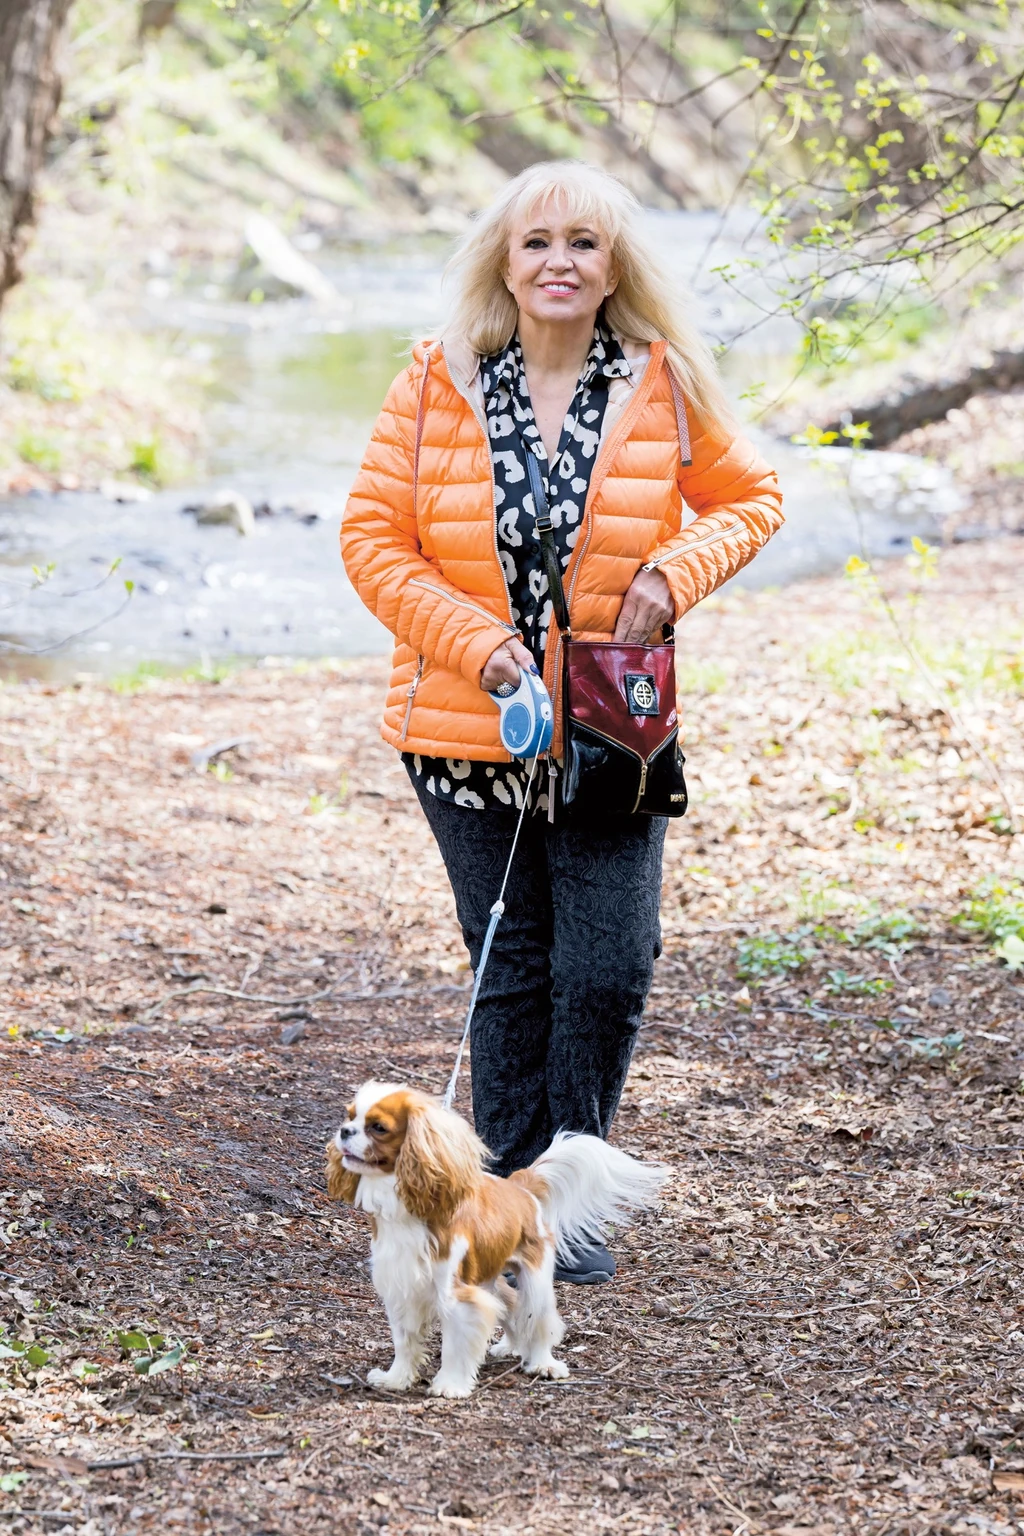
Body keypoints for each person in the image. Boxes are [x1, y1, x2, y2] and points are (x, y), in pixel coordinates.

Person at [342, 160, 783, 1283]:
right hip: (460, 722)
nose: (559, 263)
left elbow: (752, 500)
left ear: (613, 266)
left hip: (610, 723)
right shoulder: (434, 378)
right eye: (537, 242)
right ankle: (512, 1217)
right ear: (504, 258)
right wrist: (477, 645)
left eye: (584, 243)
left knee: (610, 961)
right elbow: (372, 542)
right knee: (514, 960)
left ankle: (563, 1187)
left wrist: (672, 576)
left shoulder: (661, 380)